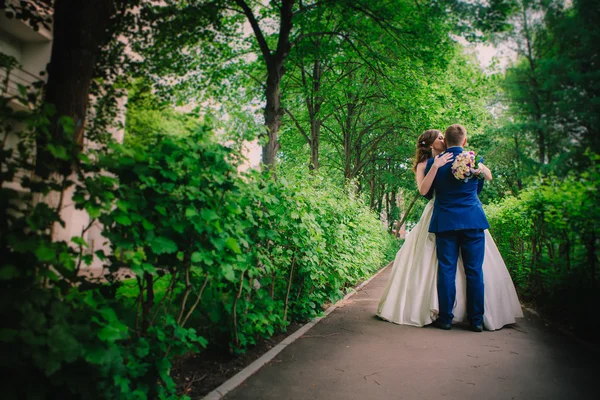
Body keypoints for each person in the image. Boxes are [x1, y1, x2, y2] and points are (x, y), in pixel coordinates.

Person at [377, 127, 522, 331]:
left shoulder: (435, 165)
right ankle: (477, 320)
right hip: (472, 220)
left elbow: (427, 193)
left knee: (446, 269)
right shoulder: (471, 160)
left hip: (445, 221)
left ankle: (445, 318)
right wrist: (479, 171)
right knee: (474, 271)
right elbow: (482, 183)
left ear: (448, 140)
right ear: (464, 141)